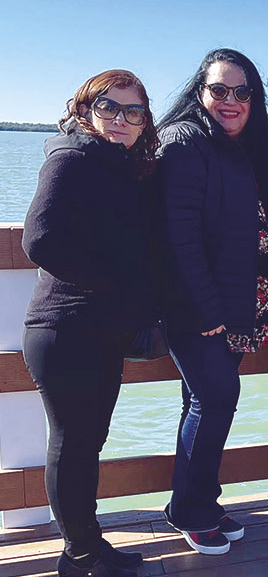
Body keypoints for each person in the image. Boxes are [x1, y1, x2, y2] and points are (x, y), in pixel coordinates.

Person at [22, 69, 158, 577]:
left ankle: (86, 548)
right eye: (109, 107)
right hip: (64, 329)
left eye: (133, 111)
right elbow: (39, 239)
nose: (121, 119)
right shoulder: (71, 158)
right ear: (86, 110)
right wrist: (113, 285)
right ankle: (80, 555)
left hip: (100, 331)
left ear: (145, 121)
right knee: (73, 443)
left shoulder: (123, 167)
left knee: (87, 442)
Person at [157, 48, 268, 555]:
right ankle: (190, 509)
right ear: (200, 92)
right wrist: (206, 310)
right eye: (219, 90)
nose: (230, 101)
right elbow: (180, 235)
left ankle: (195, 500)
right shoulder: (185, 142)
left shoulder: (241, 146)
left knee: (204, 401)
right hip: (201, 307)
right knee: (216, 398)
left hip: (237, 301)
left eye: (242, 92)